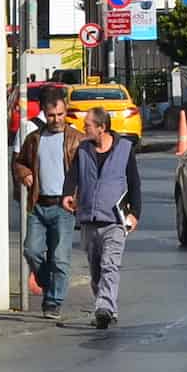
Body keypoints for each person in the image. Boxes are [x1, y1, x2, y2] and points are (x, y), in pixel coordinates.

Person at [66, 107, 140, 329]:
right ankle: (107, 307)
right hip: (89, 218)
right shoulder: (83, 150)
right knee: (96, 270)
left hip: (115, 221)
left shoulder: (125, 149)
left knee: (110, 265)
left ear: (101, 127)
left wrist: (135, 213)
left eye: (87, 124)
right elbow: (73, 176)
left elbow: (134, 183)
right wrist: (67, 194)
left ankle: (104, 308)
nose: (83, 127)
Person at [11, 85, 80, 319]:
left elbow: (87, 173)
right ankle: (49, 282)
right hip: (39, 205)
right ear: (44, 114)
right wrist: (24, 173)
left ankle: (53, 302)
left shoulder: (76, 139)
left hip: (64, 207)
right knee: (31, 250)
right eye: (51, 116)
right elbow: (19, 162)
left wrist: (79, 198)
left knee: (60, 258)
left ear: (65, 111)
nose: (56, 120)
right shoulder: (34, 139)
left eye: (60, 115)